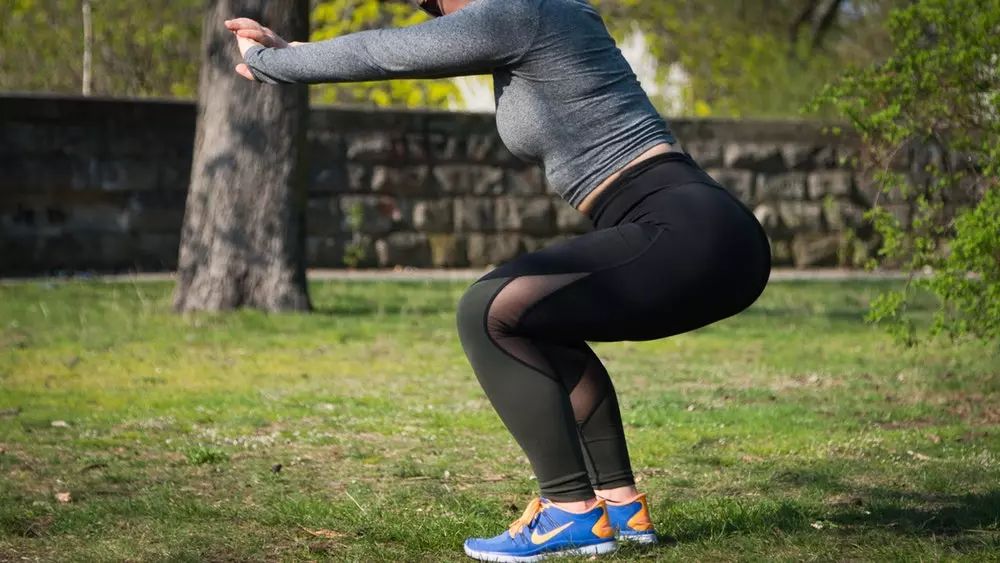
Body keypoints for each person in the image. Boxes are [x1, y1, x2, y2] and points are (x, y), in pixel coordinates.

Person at [226, 0, 771, 560]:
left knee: (486, 311)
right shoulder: (542, 17)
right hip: (707, 231)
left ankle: (569, 512)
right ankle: (619, 506)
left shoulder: (522, 13)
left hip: (684, 229)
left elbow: (384, 52)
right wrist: (290, 51)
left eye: (433, 4)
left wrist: (275, 63)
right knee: (540, 321)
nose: (435, 12)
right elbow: (400, 51)